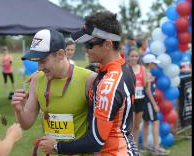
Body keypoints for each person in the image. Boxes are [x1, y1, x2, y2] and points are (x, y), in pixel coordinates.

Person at [37, 11, 138, 155]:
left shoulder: (108, 85)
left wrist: (57, 146)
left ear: (108, 44)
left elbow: (94, 142)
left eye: (89, 44)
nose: (84, 49)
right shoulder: (124, 67)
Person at [11, 29, 97, 151]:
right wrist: (19, 110)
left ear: (61, 54)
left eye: (43, 61)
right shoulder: (37, 80)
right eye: (37, 62)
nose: (39, 68)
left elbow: (99, 135)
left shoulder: (88, 80)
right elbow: (26, 124)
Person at [128, 48, 160, 153]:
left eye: (136, 56)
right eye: (132, 56)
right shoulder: (126, 68)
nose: (134, 58)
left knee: (137, 126)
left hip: (140, 100)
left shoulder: (142, 68)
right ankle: (131, 149)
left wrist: (148, 81)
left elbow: (146, 87)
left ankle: (136, 148)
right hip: (131, 101)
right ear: (129, 57)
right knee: (131, 127)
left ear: (138, 58)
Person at [141, 54, 170, 155]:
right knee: (156, 122)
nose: (155, 65)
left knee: (146, 123)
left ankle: (144, 146)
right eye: (154, 63)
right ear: (150, 63)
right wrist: (154, 104)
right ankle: (156, 147)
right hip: (148, 101)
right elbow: (148, 90)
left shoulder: (144, 71)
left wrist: (149, 80)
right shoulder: (147, 73)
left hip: (144, 101)